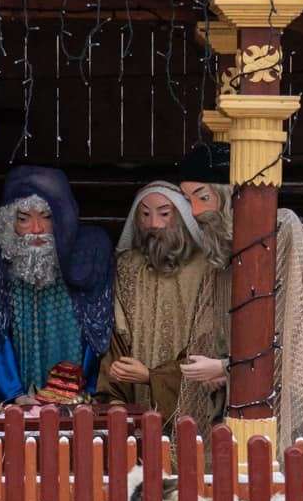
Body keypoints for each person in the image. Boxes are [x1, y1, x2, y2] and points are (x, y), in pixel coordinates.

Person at [177, 140, 303, 455]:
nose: (195, 211)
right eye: (187, 200)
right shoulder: (219, 245)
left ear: (228, 194)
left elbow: (290, 329)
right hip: (229, 407)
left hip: (277, 400)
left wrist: (225, 367)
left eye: (203, 197)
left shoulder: (280, 228)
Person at [96, 180, 226, 429]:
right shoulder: (128, 267)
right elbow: (118, 333)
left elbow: (207, 338)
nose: (153, 224)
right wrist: (116, 393)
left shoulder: (205, 269)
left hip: (192, 400)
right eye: (145, 214)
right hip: (135, 399)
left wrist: (153, 377)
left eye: (164, 214)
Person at [0, 165, 114, 404]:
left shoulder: (87, 258)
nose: (36, 229)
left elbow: (98, 333)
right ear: (10, 223)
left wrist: (86, 389)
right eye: (24, 219)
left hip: (78, 398)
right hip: (20, 402)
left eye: (47, 217)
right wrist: (15, 394)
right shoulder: (2, 262)